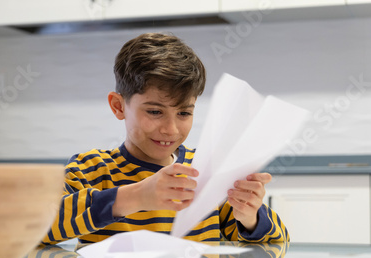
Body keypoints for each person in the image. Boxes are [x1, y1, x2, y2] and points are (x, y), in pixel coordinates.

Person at [41, 32, 288, 246]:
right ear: (119, 107)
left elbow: (278, 241)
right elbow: (35, 228)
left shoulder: (204, 170)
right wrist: (135, 196)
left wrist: (250, 214)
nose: (171, 129)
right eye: (155, 112)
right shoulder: (90, 169)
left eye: (184, 113)